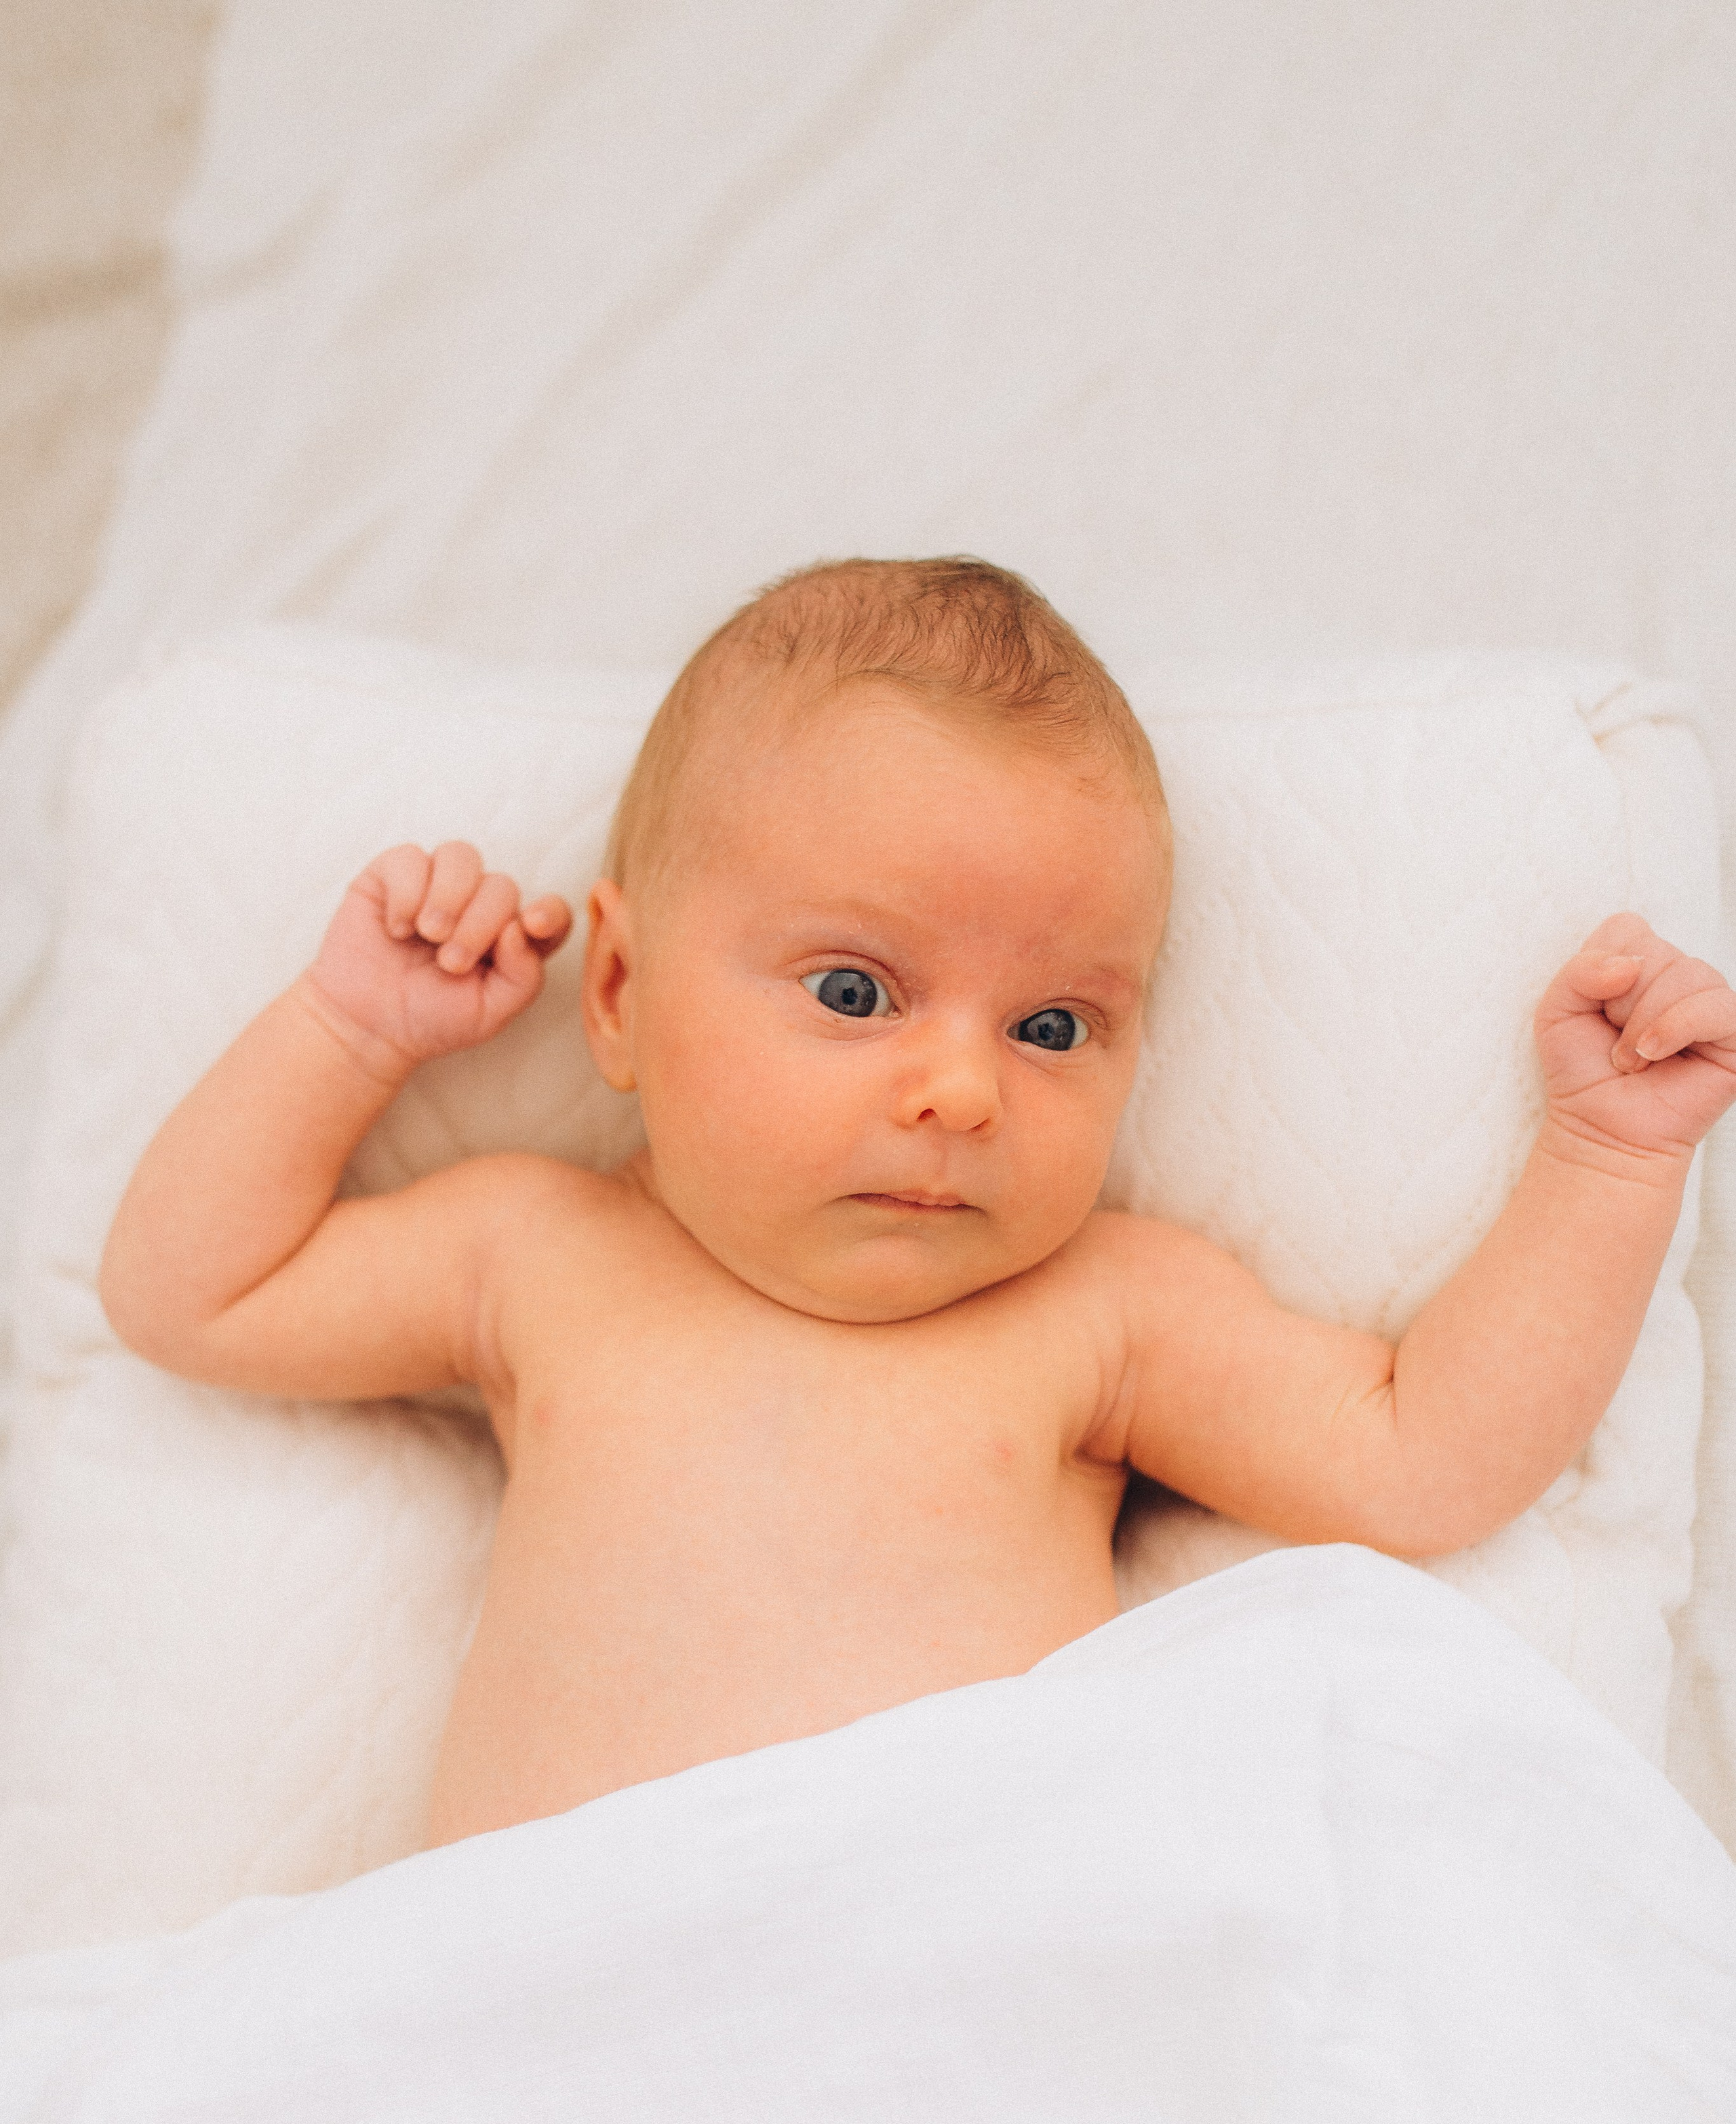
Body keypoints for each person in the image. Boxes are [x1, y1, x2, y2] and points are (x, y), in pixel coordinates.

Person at [98, 558, 1736, 1847]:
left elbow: (1424, 1455)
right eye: (855, 991)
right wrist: (350, 1032)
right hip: (544, 1988)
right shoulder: (532, 1251)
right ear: (616, 988)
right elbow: (192, 1292)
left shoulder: (1097, 1309)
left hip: (935, 1982)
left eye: (1048, 1028)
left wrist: (1604, 1160)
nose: (959, 1090)